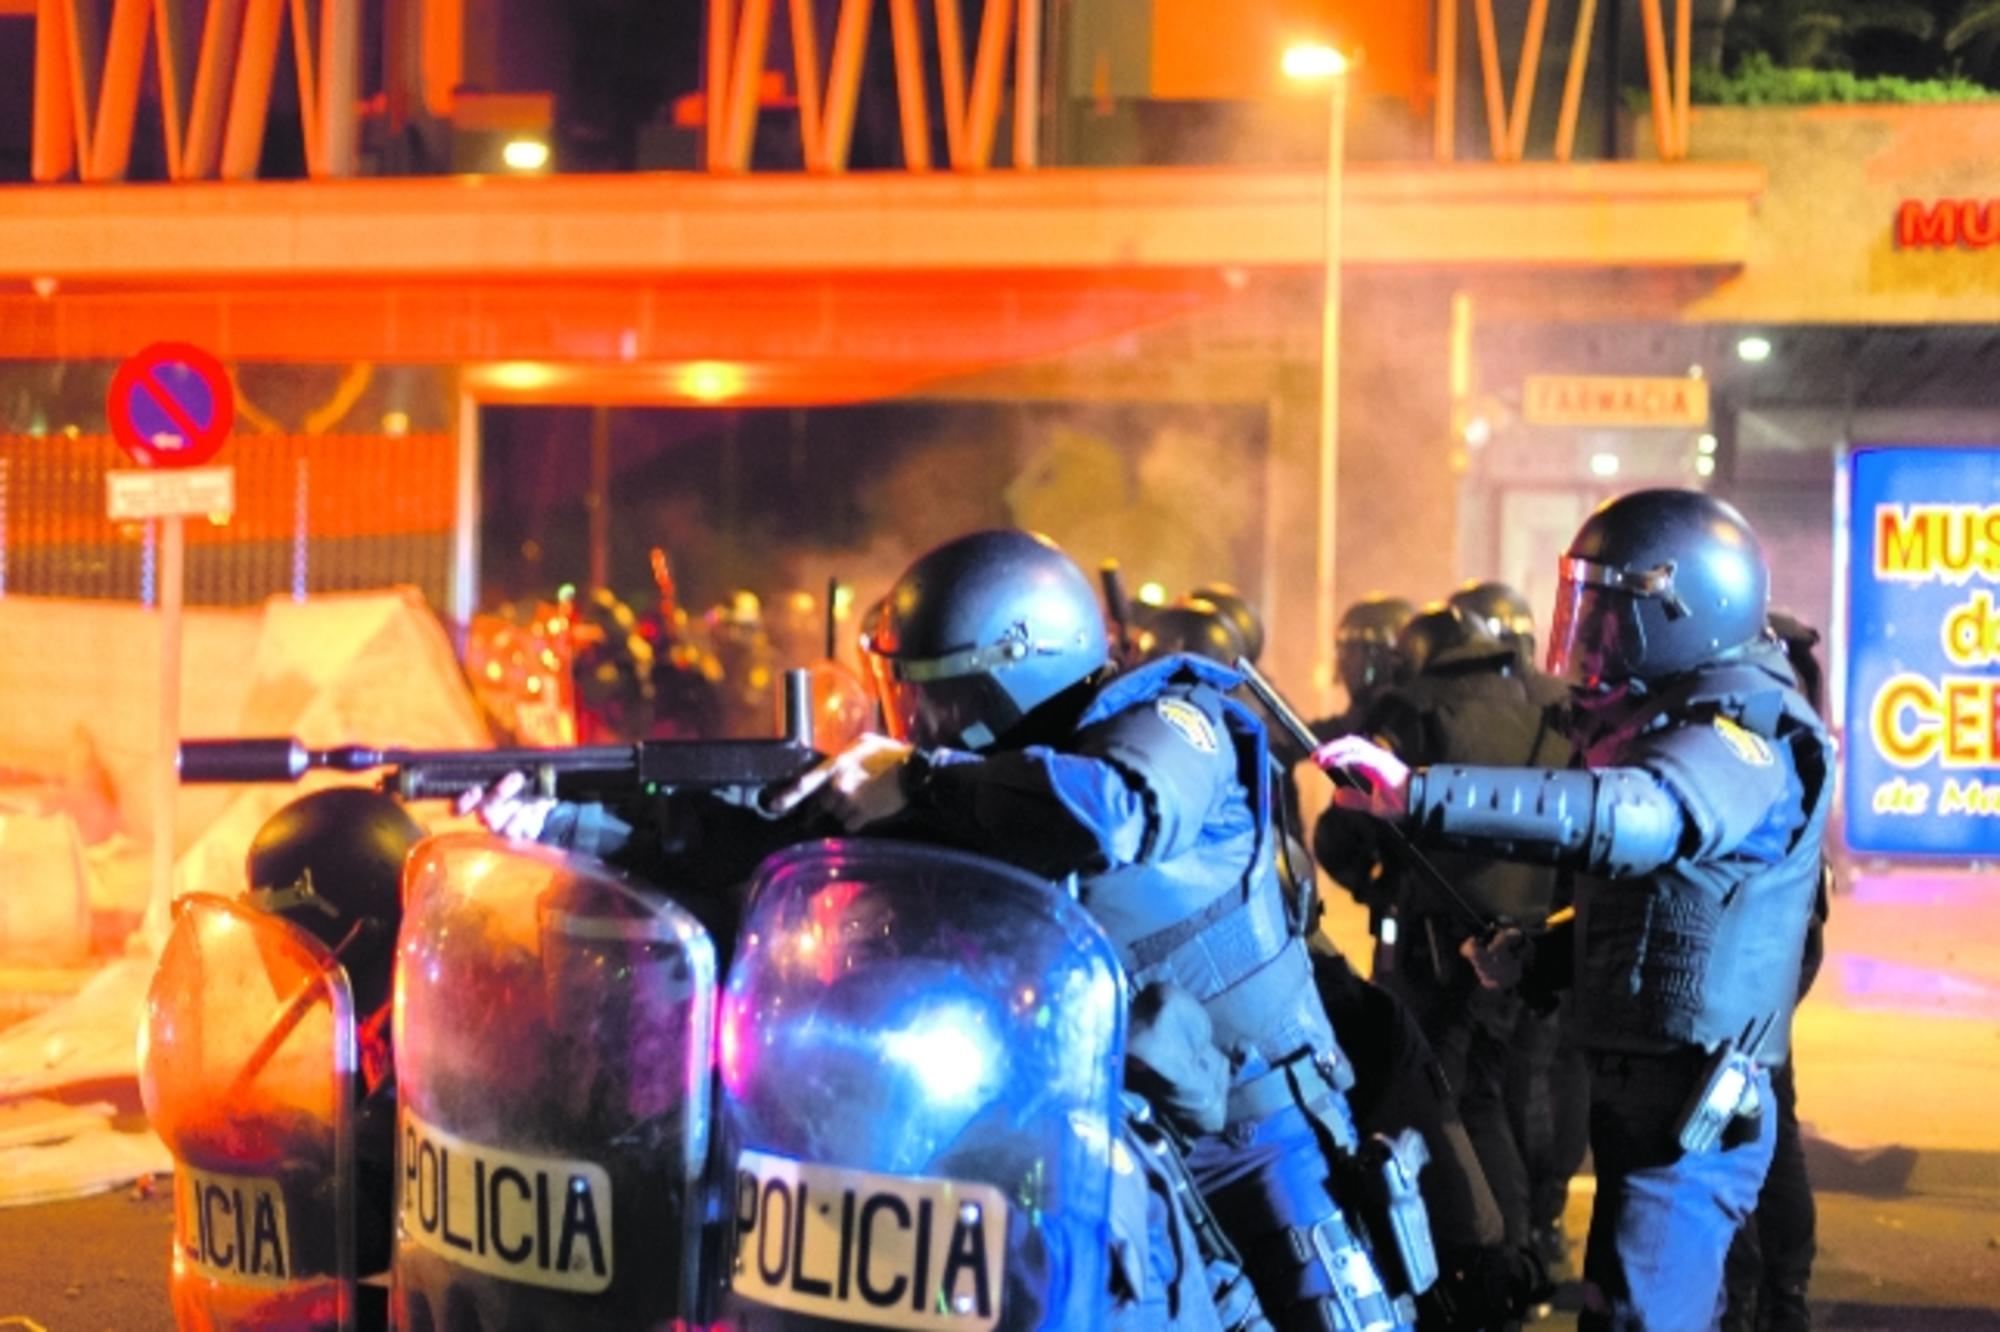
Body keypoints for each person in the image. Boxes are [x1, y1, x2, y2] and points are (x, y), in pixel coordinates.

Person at [770, 529, 1422, 1332]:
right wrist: (591, 823)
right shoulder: (975, 788)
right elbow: (780, 838)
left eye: (937, 699)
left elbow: (1117, 810)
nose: (917, 727)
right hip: (1085, 1143)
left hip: (1252, 1140)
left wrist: (915, 779)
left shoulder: (1178, 720)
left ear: (1013, 672)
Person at [1314, 490, 1833, 1331]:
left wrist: (1418, 793)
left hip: (1688, 1113)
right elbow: (1667, 912)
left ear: (1679, 610)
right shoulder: (1680, 725)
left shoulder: (1743, 740)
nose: (1589, 639)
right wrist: (1542, 958)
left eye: (1611, 615)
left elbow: (1639, 818)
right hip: (1650, 1096)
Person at [1316, 605, 1569, 1283]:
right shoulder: (1552, 703)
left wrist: (1379, 889)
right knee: (1516, 1095)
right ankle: (1525, 1253)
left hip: (1435, 954)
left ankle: (1477, 1266)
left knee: (1441, 1106)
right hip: (1541, 944)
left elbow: (1342, 831)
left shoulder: (1414, 709)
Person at [243, 787, 426, 1322]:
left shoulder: (439, 1032)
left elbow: (356, 1222)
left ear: (358, 934)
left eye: (288, 938)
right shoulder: (381, 1015)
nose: (277, 957)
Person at [1720, 611, 1831, 1332]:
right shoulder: (1793, 710)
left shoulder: (1762, 720)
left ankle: (1759, 1285)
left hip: (1757, 930)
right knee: (1765, 1101)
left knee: (1734, 1107)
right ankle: (1778, 1290)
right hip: (1786, 927)